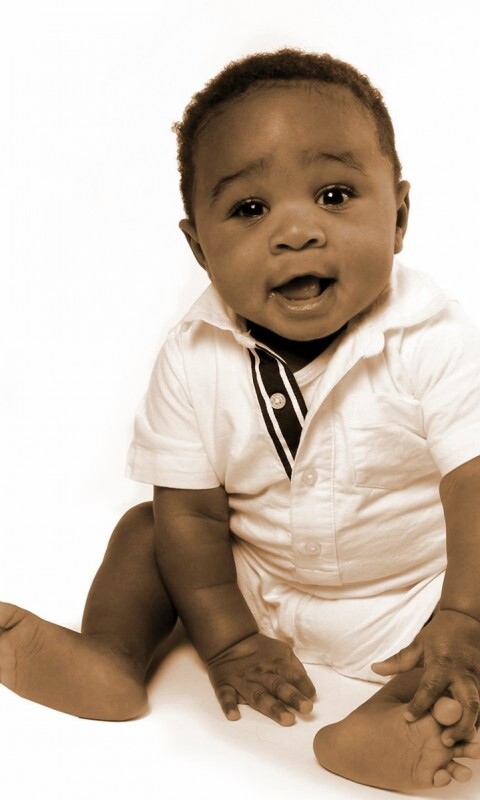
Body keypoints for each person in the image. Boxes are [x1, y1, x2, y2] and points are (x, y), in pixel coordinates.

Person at [2, 48, 480, 793]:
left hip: (419, 599)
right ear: (200, 247)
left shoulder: (434, 338)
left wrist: (462, 616)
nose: (296, 232)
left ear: (399, 217)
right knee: (147, 529)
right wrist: (228, 641)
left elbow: (471, 486)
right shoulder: (193, 355)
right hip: (250, 584)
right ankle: (112, 656)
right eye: (250, 209)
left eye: (334, 195)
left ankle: (396, 721)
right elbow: (192, 516)